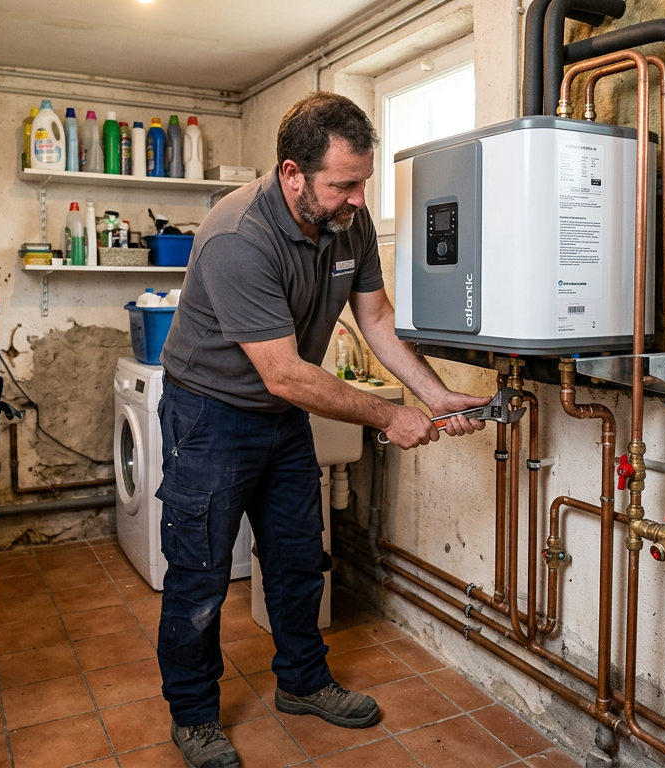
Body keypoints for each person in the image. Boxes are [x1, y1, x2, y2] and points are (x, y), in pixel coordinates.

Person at [155, 91, 488, 768]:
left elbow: (377, 320)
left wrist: (433, 395)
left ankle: (303, 684)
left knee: (299, 559)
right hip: (211, 415)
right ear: (292, 174)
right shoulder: (236, 238)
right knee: (200, 577)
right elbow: (285, 373)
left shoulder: (346, 224)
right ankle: (193, 718)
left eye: (361, 182)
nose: (357, 199)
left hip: (279, 419)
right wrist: (392, 415)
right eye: (343, 184)